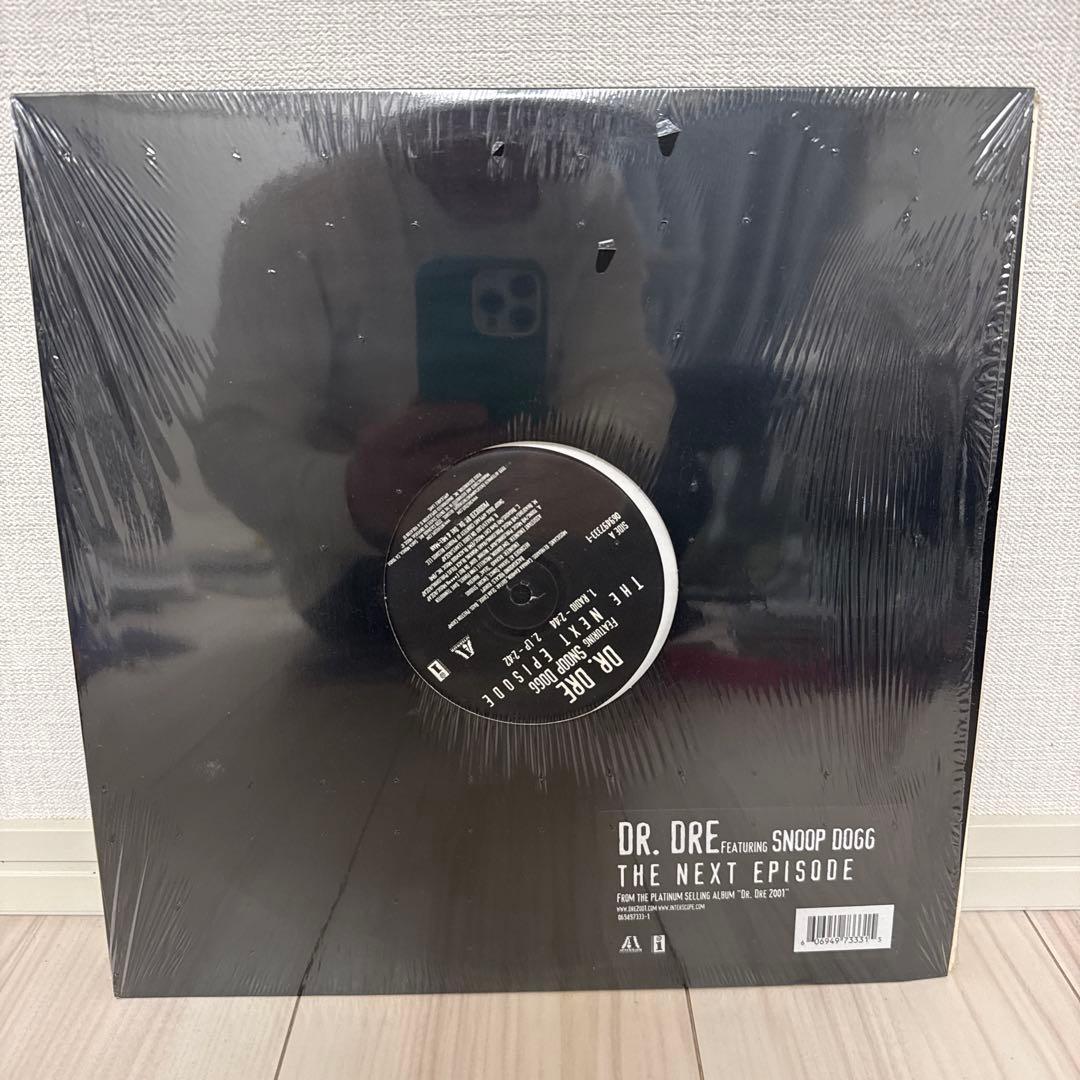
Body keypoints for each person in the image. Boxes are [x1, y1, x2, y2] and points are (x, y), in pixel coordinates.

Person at [195, 102, 674, 642]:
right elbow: (233, 443)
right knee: (675, 508)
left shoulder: (590, 194)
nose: (501, 141)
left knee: (682, 487)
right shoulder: (299, 218)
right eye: (478, 117)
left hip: (483, 544)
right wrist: (353, 497)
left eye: (520, 115)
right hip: (366, 565)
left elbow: (622, 377)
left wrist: (579, 475)